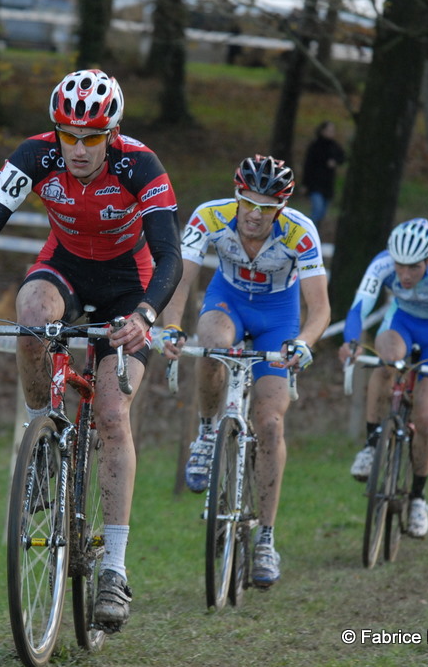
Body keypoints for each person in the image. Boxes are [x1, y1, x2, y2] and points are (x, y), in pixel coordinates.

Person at [0, 69, 182, 632]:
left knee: (111, 414)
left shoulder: (140, 166)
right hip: (67, 269)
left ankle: (114, 571)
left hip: (131, 285)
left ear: (113, 133)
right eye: (68, 135)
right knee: (30, 312)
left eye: (92, 138)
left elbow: (169, 255)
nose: (78, 149)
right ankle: (41, 437)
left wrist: (145, 316)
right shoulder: (34, 156)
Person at [160, 155, 331, 588]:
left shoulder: (300, 232)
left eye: (266, 206)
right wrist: (171, 327)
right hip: (228, 302)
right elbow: (181, 278)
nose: (254, 214)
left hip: (278, 319)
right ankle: (205, 433)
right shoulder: (210, 216)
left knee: (270, 424)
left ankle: (266, 539)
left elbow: (321, 308)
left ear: (281, 208)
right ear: (236, 195)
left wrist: (305, 344)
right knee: (213, 343)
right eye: (247, 202)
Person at [337, 218, 428, 539]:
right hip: (402, 324)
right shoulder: (382, 264)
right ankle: (373, 443)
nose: (404, 275)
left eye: (413, 268)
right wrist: (351, 340)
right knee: (386, 360)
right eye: (400, 267)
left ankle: (418, 497)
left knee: (426, 417)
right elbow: (359, 307)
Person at [301, 121, 347, 232]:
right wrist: (305, 184)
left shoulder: (334, 146)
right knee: (317, 210)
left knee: (322, 213)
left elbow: (343, 157)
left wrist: (335, 162)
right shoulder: (315, 146)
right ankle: (308, 232)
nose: (331, 133)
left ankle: (315, 233)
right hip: (315, 184)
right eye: (329, 130)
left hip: (327, 185)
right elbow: (308, 165)